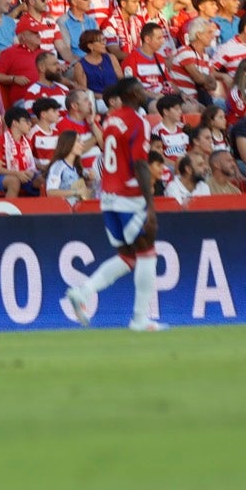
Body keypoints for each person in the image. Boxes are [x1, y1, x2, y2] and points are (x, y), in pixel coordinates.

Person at [65, 79, 167, 332]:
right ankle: (140, 319)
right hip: (129, 196)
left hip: (108, 197)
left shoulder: (110, 120)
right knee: (147, 254)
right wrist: (150, 203)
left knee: (128, 256)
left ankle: (83, 291)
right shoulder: (137, 121)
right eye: (141, 89)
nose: (145, 92)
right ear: (132, 93)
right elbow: (140, 164)